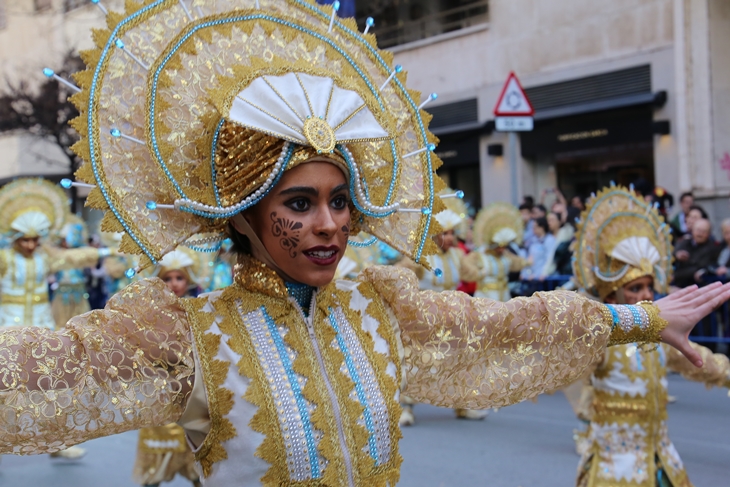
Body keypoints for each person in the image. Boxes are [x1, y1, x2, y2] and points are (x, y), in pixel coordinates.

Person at [0, 3, 726, 486]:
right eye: (299, 203)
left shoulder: (380, 306)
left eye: (340, 200)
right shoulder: (188, 335)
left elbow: (499, 332)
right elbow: (45, 375)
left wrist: (642, 318)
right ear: (242, 216)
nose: (329, 225)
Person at [571, 185, 730, 487]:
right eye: (635, 288)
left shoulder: (659, 339)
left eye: (648, 287)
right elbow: (570, 375)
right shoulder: (601, 340)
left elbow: (701, 362)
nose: (645, 295)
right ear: (614, 293)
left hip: (662, 465)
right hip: (614, 471)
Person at [133, 248, 201, 487]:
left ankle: (197, 475)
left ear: (188, 279)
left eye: (179, 278)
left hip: (194, 384)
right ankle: (155, 476)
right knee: (162, 433)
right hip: (162, 384)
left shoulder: (198, 308)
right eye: (167, 278)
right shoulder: (150, 313)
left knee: (196, 434)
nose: (174, 284)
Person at [462, 202, 526, 301]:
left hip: (504, 295)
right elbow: (465, 265)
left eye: (504, 246)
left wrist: (527, 262)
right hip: (486, 298)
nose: (501, 249)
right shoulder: (480, 255)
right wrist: (480, 273)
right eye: (499, 246)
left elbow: (516, 262)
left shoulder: (505, 255)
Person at [51, 215, 92, 328]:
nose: (66, 242)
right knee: (61, 323)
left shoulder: (80, 255)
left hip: (79, 292)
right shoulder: (56, 254)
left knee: (80, 324)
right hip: (62, 293)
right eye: (63, 239)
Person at [673, 218, 719, 288]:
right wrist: (677, 255)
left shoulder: (712, 248)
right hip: (677, 284)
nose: (700, 234)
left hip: (697, 286)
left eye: (704, 231)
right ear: (692, 230)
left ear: (709, 234)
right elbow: (671, 254)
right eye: (698, 230)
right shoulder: (685, 242)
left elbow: (699, 267)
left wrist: (675, 276)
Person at [520, 216, 555, 281]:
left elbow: (549, 259)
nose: (533, 229)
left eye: (535, 227)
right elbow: (530, 260)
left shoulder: (550, 240)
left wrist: (542, 274)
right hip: (533, 277)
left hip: (544, 278)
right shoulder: (533, 241)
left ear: (542, 228)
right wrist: (525, 274)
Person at [542, 210, 574, 277]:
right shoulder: (547, 238)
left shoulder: (565, 234)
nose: (549, 223)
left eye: (552, 220)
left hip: (560, 272)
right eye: (548, 220)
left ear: (559, 221)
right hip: (546, 274)